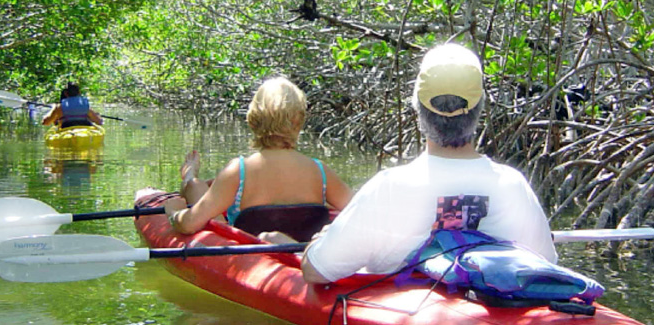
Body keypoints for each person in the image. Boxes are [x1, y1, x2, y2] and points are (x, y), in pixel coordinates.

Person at [301, 43, 558, 283]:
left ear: (417, 106)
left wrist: (319, 242)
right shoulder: (512, 186)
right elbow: (546, 265)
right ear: (480, 106)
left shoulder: (389, 188)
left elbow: (316, 271)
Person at [162, 77, 353, 243]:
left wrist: (173, 213)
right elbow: (363, 213)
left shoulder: (238, 170)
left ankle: (189, 178)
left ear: (252, 119)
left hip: (253, 257)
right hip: (299, 255)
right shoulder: (320, 171)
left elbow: (188, 225)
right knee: (198, 187)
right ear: (300, 121)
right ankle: (191, 178)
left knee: (195, 188)